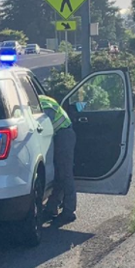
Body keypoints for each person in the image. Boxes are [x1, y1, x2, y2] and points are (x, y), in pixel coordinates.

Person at [39, 94, 77, 225]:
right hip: (61, 134)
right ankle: (51, 208)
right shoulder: (44, 99)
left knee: (65, 174)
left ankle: (69, 211)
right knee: (59, 175)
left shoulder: (41, 104)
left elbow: (44, 127)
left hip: (63, 135)